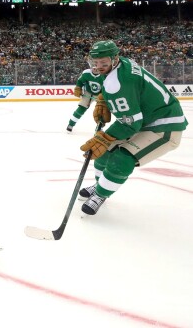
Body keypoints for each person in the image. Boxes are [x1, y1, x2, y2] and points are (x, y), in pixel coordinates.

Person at [79, 40, 188, 215]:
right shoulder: (122, 64)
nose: (98, 66)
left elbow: (130, 123)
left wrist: (104, 137)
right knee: (105, 150)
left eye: (103, 62)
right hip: (146, 119)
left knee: (122, 159)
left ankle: (101, 194)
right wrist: (103, 99)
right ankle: (100, 185)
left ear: (115, 58)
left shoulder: (119, 82)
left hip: (165, 125)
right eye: (95, 62)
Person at [66, 66, 103, 132]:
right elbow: (80, 81)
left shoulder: (104, 75)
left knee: (101, 110)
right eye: (94, 68)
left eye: (97, 68)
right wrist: (78, 88)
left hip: (100, 93)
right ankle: (71, 124)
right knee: (82, 108)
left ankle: (100, 127)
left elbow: (108, 86)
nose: (95, 70)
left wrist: (104, 94)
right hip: (88, 92)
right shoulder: (86, 73)